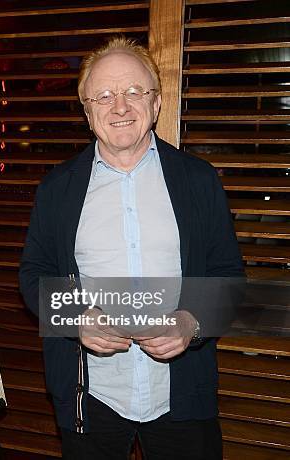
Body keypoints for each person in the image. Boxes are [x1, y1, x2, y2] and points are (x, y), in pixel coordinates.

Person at [19, 36, 244, 460]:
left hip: (181, 396)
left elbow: (229, 274)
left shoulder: (199, 181)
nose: (119, 107)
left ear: (156, 104)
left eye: (134, 92)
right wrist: (75, 318)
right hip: (92, 395)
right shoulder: (56, 190)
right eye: (103, 95)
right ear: (87, 112)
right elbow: (32, 275)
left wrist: (191, 322)